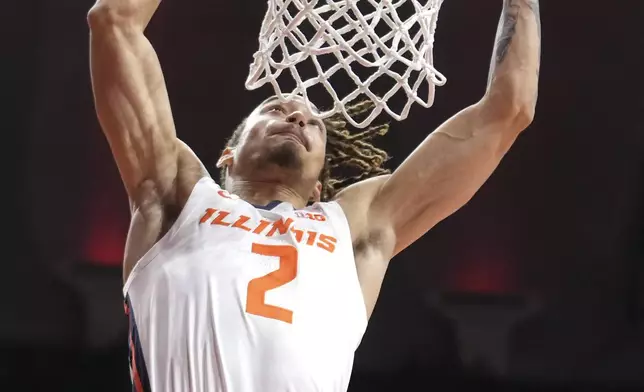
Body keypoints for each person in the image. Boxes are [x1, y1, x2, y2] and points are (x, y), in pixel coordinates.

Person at [87, 0, 541, 390]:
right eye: (277, 108)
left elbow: (509, 110)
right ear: (228, 153)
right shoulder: (177, 197)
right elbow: (113, 21)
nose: (299, 117)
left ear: (320, 185)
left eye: (314, 123)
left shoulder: (355, 226)